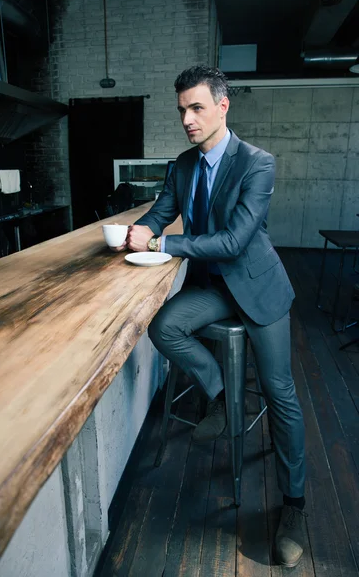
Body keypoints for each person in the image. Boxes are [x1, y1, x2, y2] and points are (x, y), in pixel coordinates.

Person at [122, 65, 306, 568]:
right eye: (182, 109)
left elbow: (234, 241)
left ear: (223, 107)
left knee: (279, 392)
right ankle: (225, 395)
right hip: (215, 290)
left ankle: (294, 506)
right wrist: (134, 232)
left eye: (197, 107)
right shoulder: (182, 165)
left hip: (258, 288)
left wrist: (164, 243)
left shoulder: (257, 163)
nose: (187, 118)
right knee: (165, 326)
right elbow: (160, 212)